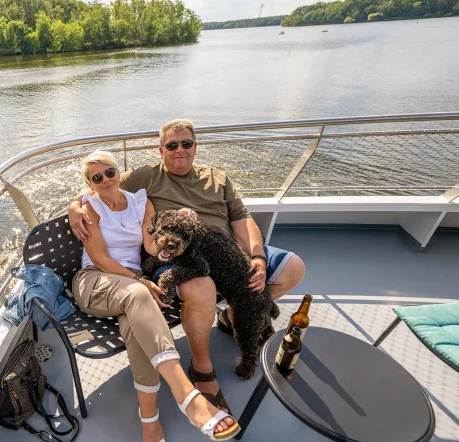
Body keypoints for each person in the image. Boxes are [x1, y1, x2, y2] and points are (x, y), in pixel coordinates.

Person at [69, 119, 306, 417]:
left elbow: (241, 218)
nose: (179, 150)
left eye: (186, 143)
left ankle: (232, 315)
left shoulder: (217, 177)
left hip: (227, 250)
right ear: (161, 150)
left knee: (293, 268)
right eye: (171, 145)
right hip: (180, 254)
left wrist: (257, 256)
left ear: (196, 146)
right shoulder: (145, 176)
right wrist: (74, 206)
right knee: (201, 285)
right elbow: (100, 188)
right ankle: (201, 366)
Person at [71, 151, 240, 442]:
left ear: (118, 171)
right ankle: (187, 395)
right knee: (139, 293)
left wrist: (180, 218)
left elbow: (152, 247)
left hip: (130, 291)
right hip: (95, 281)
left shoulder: (140, 202)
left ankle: (150, 423)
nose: (106, 180)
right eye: (96, 177)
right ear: (89, 184)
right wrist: (139, 279)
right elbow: (99, 259)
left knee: (136, 329)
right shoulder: (89, 207)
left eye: (109, 172)